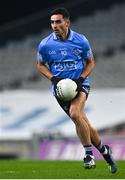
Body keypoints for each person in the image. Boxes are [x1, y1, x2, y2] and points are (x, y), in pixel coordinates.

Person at [36, 7, 117, 173]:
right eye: (52, 22)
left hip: (80, 85)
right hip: (60, 90)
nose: (54, 25)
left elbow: (91, 62)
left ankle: (88, 155)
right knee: (83, 121)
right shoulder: (45, 44)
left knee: (75, 113)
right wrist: (53, 78)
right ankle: (104, 151)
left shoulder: (80, 41)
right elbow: (40, 65)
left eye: (58, 22)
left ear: (67, 22)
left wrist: (80, 79)